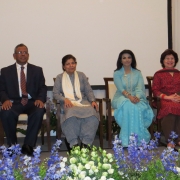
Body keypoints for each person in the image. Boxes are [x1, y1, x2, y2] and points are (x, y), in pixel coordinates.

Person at [0, 44, 47, 156]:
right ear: (14, 55)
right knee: (6, 112)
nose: (23, 54)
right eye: (20, 52)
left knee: (39, 111)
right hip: (14, 102)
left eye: (25, 52)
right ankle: (12, 145)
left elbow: (42, 87)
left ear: (28, 55)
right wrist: (5, 99)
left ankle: (28, 145)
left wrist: (40, 99)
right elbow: (1, 89)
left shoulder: (37, 70)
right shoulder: (5, 71)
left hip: (32, 101)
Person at [53, 54, 99, 150]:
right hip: (67, 102)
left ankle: (85, 143)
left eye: (73, 63)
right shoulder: (59, 77)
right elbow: (55, 94)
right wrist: (64, 99)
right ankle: (73, 143)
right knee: (70, 113)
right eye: (68, 64)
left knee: (92, 113)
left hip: (83, 101)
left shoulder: (81, 75)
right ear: (63, 66)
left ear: (76, 64)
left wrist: (93, 101)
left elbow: (88, 90)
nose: (71, 65)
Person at [112, 50, 154, 147]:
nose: (127, 60)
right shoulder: (117, 73)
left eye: (129, 57)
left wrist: (137, 98)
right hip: (121, 97)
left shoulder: (138, 73)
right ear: (120, 60)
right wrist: (130, 97)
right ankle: (127, 140)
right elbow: (121, 89)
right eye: (124, 58)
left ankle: (139, 140)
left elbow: (140, 88)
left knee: (135, 106)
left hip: (137, 98)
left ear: (132, 59)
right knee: (128, 105)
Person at [152, 49, 180, 148]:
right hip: (164, 99)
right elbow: (155, 90)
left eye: (172, 58)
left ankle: (178, 139)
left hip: (178, 98)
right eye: (167, 58)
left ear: (175, 60)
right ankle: (171, 140)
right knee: (170, 107)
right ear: (163, 61)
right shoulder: (158, 74)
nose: (170, 60)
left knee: (177, 106)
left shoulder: (179, 73)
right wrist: (168, 97)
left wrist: (178, 97)